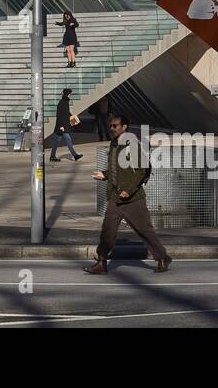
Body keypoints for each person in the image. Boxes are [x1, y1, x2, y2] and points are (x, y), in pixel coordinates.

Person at [86, 115, 171, 275]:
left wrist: (128, 190)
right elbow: (116, 170)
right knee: (107, 231)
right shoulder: (114, 144)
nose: (112, 128)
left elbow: (141, 170)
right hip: (115, 197)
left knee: (144, 230)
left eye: (115, 126)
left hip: (133, 198)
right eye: (110, 125)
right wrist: (104, 174)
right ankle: (101, 262)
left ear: (124, 127)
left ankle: (163, 257)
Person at [48, 88, 84, 162]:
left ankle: (52, 157)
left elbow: (67, 113)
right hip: (62, 126)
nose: (71, 95)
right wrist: (61, 126)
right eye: (70, 94)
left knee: (56, 142)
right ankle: (75, 155)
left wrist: (75, 120)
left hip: (62, 126)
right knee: (68, 140)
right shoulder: (63, 103)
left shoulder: (64, 102)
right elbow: (60, 115)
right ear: (68, 94)